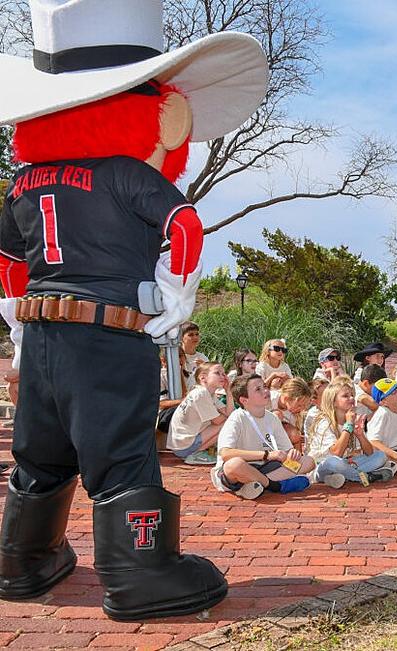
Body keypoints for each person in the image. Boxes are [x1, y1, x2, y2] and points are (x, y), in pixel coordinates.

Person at [0, 0, 269, 618]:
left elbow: (8, 254)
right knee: (121, 450)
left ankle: (24, 560)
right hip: (107, 332)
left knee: (40, 451)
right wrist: (176, 294)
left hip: (41, 336)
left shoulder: (24, 181)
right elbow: (184, 223)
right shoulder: (124, 172)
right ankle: (141, 574)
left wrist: (16, 318)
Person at [211, 375, 314, 499]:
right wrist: (267, 455)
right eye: (258, 389)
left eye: (265, 386)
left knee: (308, 461)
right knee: (234, 464)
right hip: (242, 470)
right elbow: (226, 454)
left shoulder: (272, 418)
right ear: (244, 400)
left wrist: (292, 453)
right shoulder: (236, 418)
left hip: (268, 467)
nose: (265, 391)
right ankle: (275, 486)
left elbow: (286, 451)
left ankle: (254, 485)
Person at [305, 382, 393, 488]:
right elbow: (336, 453)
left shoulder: (353, 418)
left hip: (347, 463)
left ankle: (337, 478)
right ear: (333, 402)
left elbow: (369, 452)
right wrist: (348, 426)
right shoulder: (324, 422)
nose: (351, 398)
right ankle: (364, 477)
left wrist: (360, 435)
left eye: (352, 395)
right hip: (322, 465)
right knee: (334, 463)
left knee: (381, 456)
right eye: (345, 396)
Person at [167, 362, 234, 465]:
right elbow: (219, 421)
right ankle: (196, 454)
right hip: (184, 447)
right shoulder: (201, 393)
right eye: (217, 373)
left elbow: (228, 412)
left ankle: (198, 452)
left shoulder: (209, 393)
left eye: (223, 373)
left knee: (230, 421)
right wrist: (229, 417)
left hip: (182, 445)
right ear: (203, 378)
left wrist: (228, 392)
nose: (223, 377)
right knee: (229, 423)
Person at [270, 377, 313, 449]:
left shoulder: (294, 414)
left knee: (295, 434)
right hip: (264, 434)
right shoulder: (270, 399)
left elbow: (293, 434)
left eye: (303, 406)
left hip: (282, 441)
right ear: (287, 398)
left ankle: (296, 458)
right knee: (277, 415)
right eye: (299, 405)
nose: (302, 409)